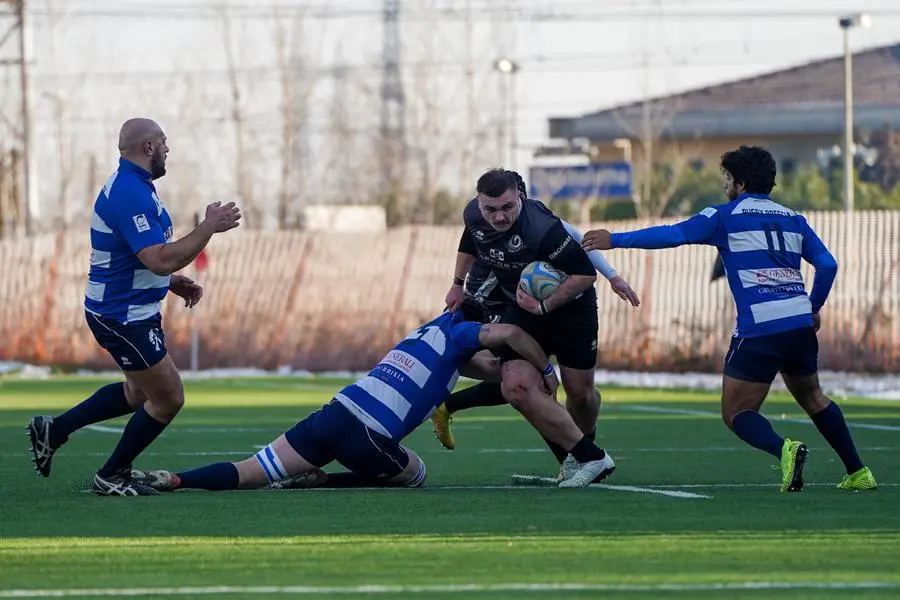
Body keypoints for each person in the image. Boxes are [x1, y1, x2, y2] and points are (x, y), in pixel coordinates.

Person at [581, 145, 876, 492]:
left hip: (761, 327)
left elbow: (674, 234)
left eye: (727, 178)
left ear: (741, 182)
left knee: (736, 413)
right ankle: (858, 472)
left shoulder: (724, 216)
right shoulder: (794, 219)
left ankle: (785, 450)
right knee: (814, 398)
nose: (724, 185)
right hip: (798, 323)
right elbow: (828, 265)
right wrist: (813, 307)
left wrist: (615, 239)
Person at [137, 300, 614, 492]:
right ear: (476, 322)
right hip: (366, 437)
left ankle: (176, 479)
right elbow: (506, 331)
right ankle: (325, 483)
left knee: (252, 471)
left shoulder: (428, 338)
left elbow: (490, 372)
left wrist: (522, 370)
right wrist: (547, 366)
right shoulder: (465, 333)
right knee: (417, 474)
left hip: (334, 413)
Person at [26, 117, 242, 496]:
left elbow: (138, 258)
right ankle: (112, 474)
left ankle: (54, 430)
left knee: (137, 394)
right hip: (121, 317)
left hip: (128, 310)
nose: (168, 149)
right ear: (148, 147)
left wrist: (169, 282)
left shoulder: (137, 186)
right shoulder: (130, 192)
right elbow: (158, 258)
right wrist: (208, 227)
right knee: (169, 398)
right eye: (164, 142)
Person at [434, 171, 640, 463]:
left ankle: (582, 449)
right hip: (518, 305)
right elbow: (470, 237)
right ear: (479, 203)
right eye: (490, 209)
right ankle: (580, 458)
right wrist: (457, 284)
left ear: (520, 196)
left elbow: (583, 267)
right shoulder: (475, 214)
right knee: (517, 382)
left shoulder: (542, 228)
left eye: (507, 207)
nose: (499, 216)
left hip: (569, 307)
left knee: (579, 393)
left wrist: (611, 277)